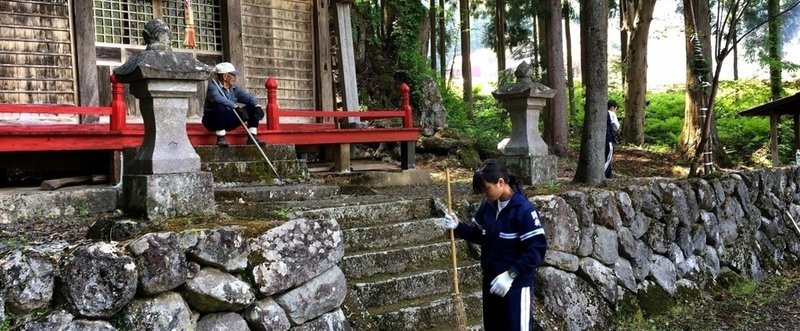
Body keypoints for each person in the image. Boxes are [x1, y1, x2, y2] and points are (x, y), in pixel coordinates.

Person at [440, 159, 548, 331]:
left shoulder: (523, 210)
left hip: (515, 286)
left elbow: (537, 250)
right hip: (491, 283)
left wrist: (511, 274)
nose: (485, 193)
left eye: (486, 188)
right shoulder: (488, 205)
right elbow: (479, 234)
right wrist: (458, 226)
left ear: (500, 182)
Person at [202, 62, 265, 147]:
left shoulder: (234, 89)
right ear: (225, 76)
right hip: (213, 121)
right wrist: (235, 107)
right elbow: (218, 99)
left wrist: (257, 106)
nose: (235, 77)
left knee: (252, 107)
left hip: (227, 121)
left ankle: (252, 137)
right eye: (233, 75)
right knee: (221, 106)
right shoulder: (213, 87)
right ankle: (221, 138)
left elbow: (249, 97)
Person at [605, 99, 621, 178]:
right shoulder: (611, 113)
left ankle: (609, 175)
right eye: (615, 108)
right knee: (608, 157)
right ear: (612, 107)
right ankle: (603, 174)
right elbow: (616, 127)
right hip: (608, 138)